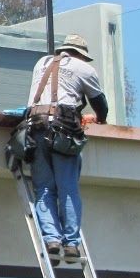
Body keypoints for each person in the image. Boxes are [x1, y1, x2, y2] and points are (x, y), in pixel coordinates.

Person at [26, 34, 109, 264]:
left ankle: (52, 239)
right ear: (80, 54)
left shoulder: (41, 63)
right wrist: (100, 119)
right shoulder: (83, 69)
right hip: (63, 130)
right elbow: (100, 103)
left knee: (43, 188)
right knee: (67, 187)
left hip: (35, 127)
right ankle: (71, 244)